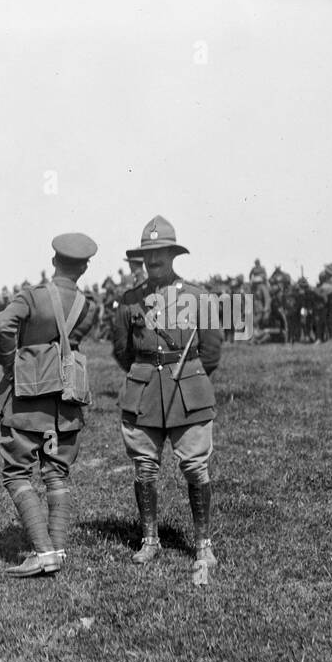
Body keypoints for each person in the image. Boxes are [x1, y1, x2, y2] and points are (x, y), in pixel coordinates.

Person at [111, 217, 222, 571]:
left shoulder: (197, 297)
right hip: (144, 391)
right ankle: (149, 540)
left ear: (173, 255)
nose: (153, 260)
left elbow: (212, 351)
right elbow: (122, 351)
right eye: (148, 255)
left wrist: (188, 375)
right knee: (145, 466)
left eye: (160, 253)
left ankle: (203, 544)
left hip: (187, 388)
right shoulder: (130, 301)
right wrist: (146, 372)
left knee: (194, 465)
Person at [0, 233, 98, 576]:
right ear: (84, 268)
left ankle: (42, 552)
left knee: (17, 472)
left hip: (27, 402)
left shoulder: (33, 297)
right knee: (56, 472)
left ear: (54, 262)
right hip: (65, 405)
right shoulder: (89, 306)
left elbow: (1, 324)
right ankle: (59, 548)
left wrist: (12, 362)